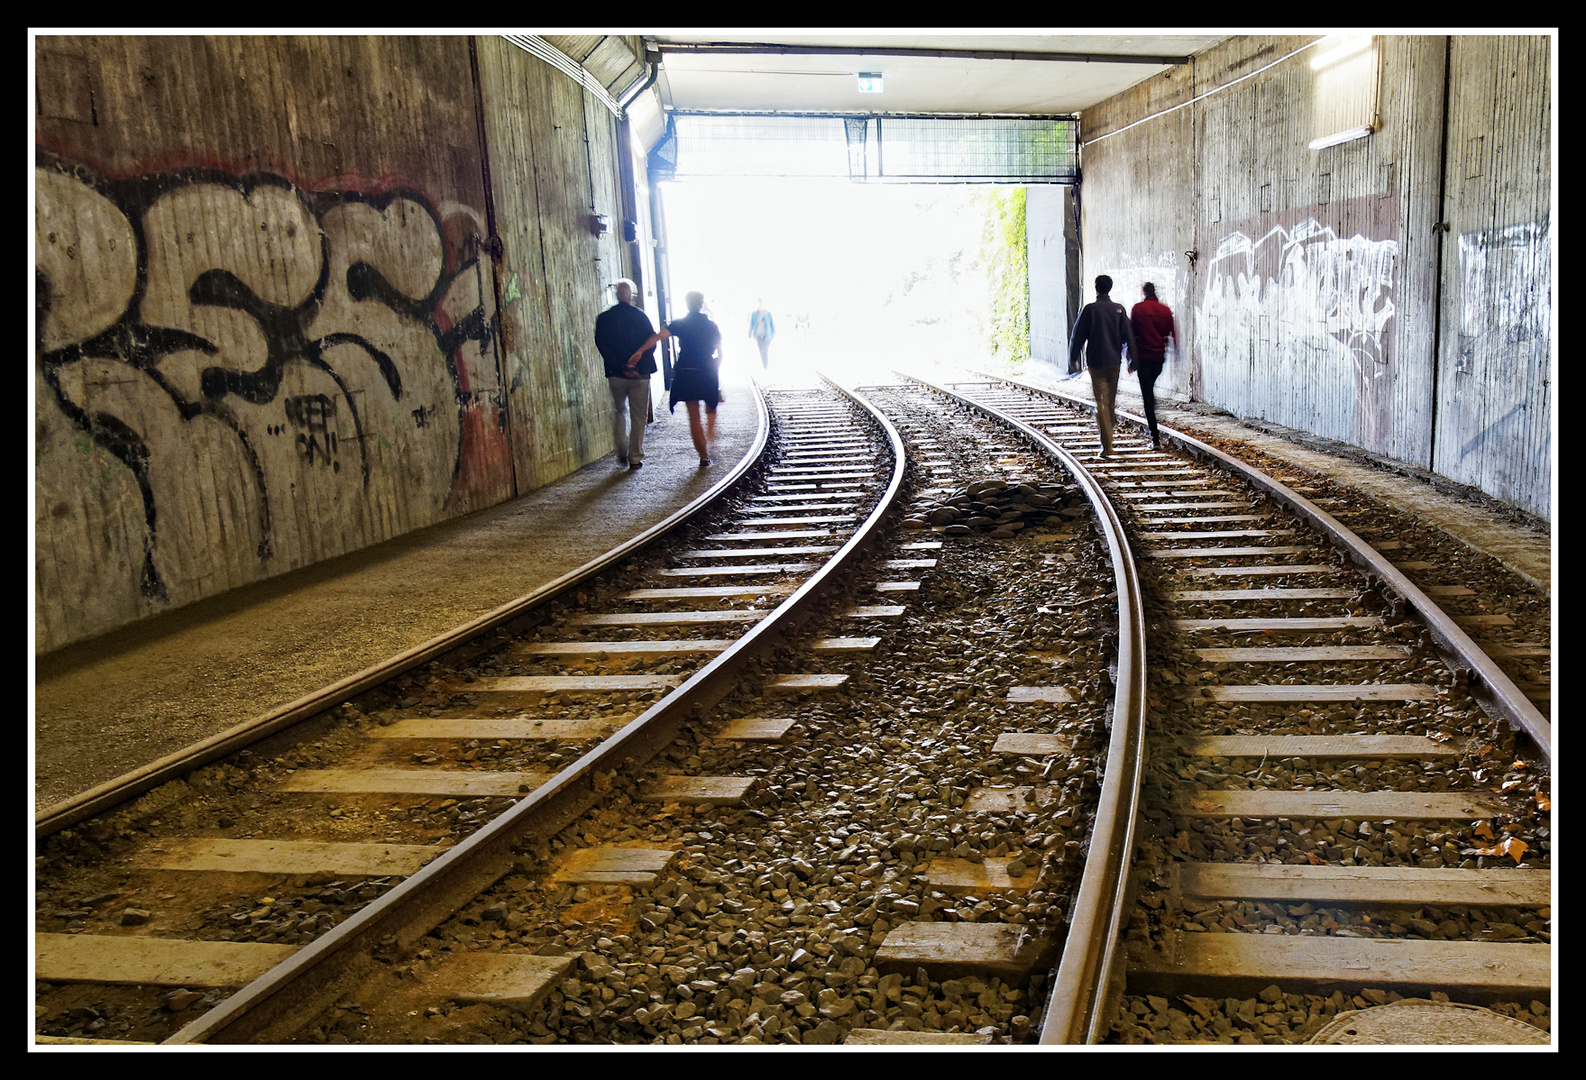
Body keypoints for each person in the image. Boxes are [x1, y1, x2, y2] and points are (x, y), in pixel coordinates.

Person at [631, 291, 723, 467]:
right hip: (706, 370)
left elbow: (658, 336)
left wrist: (640, 350)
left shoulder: (681, 323)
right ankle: (711, 438)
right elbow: (721, 354)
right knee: (711, 408)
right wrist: (714, 371)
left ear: (687, 304)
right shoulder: (712, 326)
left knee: (693, 415)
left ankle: (704, 455)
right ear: (701, 304)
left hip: (686, 370)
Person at [1068, 274, 1138, 458]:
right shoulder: (1119, 310)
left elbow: (1078, 336)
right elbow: (1129, 336)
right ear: (1110, 288)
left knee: (1101, 402)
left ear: (1096, 287)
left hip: (1096, 363)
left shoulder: (1090, 310)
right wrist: (1133, 360)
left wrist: (1073, 358)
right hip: (1114, 362)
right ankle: (1108, 440)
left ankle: (1107, 446)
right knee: (1110, 403)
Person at [594, 279, 657, 470]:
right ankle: (634, 457)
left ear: (616, 295)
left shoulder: (604, 318)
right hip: (639, 374)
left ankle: (621, 450)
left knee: (620, 411)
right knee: (639, 416)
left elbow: (601, 344)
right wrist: (634, 363)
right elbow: (651, 342)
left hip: (616, 374)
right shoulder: (641, 316)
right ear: (630, 296)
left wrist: (620, 366)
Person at [1128, 282, 1177, 451]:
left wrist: (1131, 360)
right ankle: (1153, 426)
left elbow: (1131, 335)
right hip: (1159, 358)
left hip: (1143, 358)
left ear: (1144, 292)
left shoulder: (1138, 309)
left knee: (1147, 395)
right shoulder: (1165, 310)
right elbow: (1171, 333)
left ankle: (1154, 438)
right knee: (1150, 390)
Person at [748, 299, 775, 369]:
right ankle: (764, 366)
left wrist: (774, 332)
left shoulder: (767, 313)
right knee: (761, 351)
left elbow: (772, 323)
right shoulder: (754, 314)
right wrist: (749, 332)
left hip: (767, 336)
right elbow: (752, 324)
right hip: (758, 336)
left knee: (764, 351)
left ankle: (766, 367)